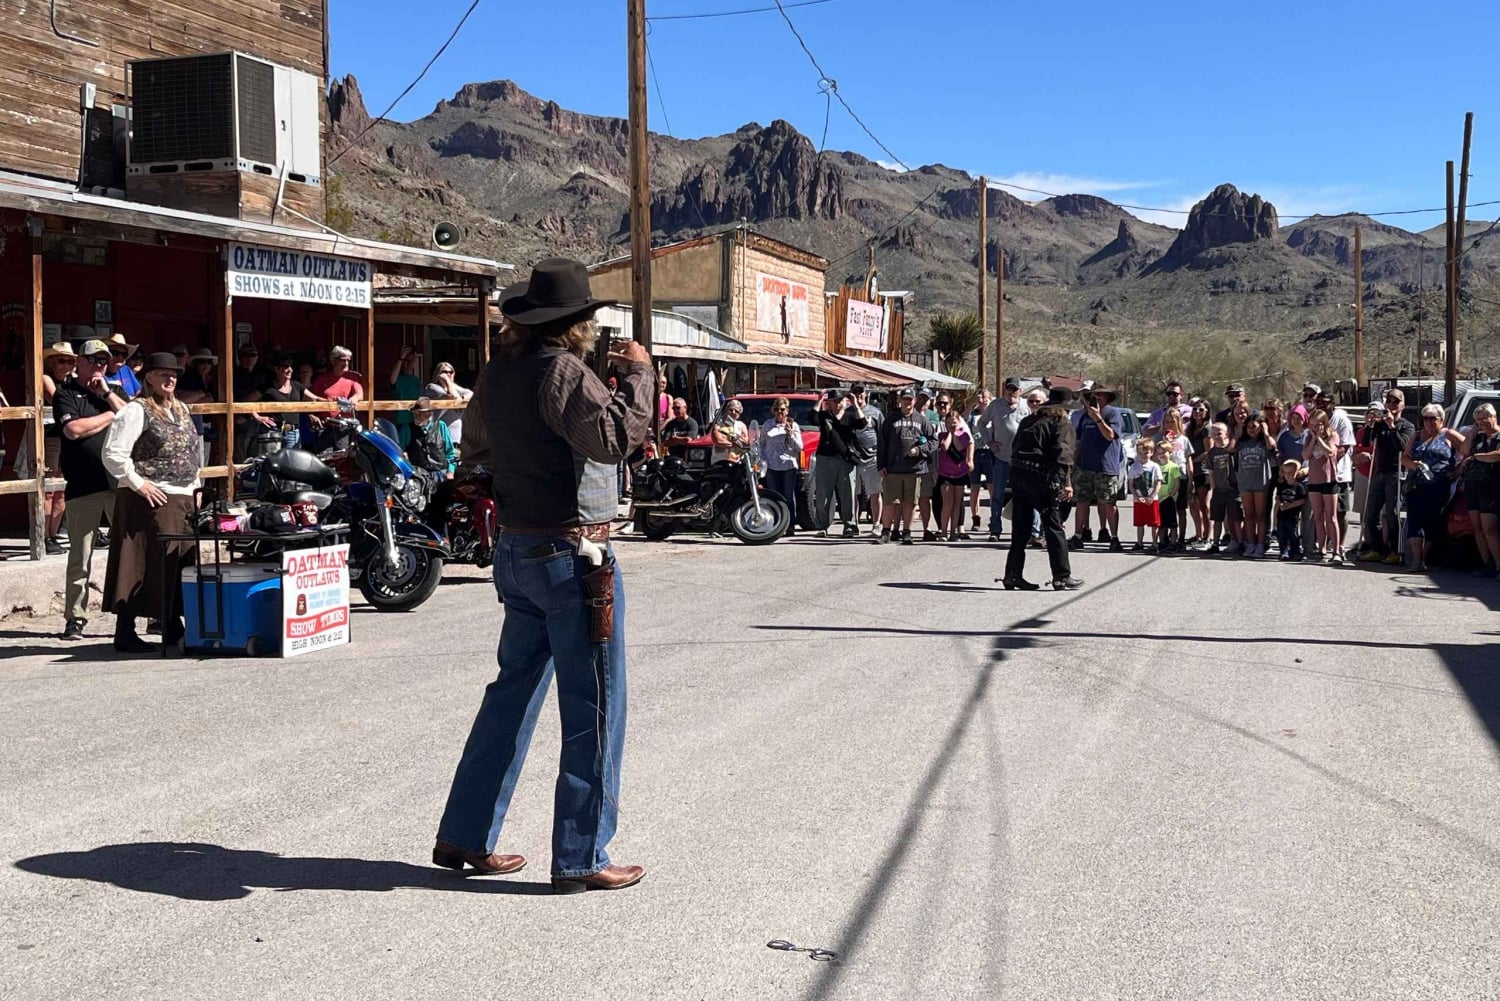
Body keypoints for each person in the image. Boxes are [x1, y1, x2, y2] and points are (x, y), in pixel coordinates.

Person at [434, 257, 649, 894]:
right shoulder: (563, 372)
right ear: (577, 324)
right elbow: (615, 439)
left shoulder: (497, 375)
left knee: (510, 695)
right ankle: (582, 854)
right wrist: (638, 375)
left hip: (517, 549)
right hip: (571, 553)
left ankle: (466, 833)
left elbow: (474, 456)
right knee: (595, 706)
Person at [100, 352, 201, 653]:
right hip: (148, 496)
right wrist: (139, 484)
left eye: (173, 374)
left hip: (183, 496)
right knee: (139, 562)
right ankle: (125, 631)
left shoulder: (182, 409)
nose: (169, 379)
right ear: (149, 378)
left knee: (177, 562)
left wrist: (196, 488)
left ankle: (172, 626)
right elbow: (113, 453)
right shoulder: (136, 410)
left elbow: (191, 454)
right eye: (162, 374)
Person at [52, 340, 126, 641]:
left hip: (117, 484)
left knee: (129, 554)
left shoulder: (114, 393)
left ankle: (135, 616)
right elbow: (73, 431)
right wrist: (110, 417)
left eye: (103, 361)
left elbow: (133, 416)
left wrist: (107, 395)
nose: (98, 365)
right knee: (80, 558)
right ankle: (75, 619)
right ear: (78, 362)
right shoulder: (66, 394)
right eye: (93, 360)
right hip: (83, 486)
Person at [1003, 386, 1081, 590]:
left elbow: (1014, 449)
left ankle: (1012, 574)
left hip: (1019, 475)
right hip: (1041, 478)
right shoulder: (1062, 423)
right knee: (1054, 526)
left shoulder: (1029, 421)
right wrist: (1065, 482)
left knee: (1020, 529)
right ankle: (1061, 576)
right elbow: (1063, 454)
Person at [1401, 403, 1463, 572]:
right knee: (1415, 521)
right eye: (1426, 418)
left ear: (1441, 420)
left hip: (1440, 487)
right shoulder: (1417, 436)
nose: (1428, 422)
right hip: (1416, 485)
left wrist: (1459, 469)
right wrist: (1412, 464)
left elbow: (1468, 450)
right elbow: (1404, 457)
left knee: (1433, 521)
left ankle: (1425, 558)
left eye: (1432, 418)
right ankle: (1417, 560)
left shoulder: (1449, 435)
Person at [1357, 392, 1415, 565]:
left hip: (1395, 473)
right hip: (1379, 471)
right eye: (1389, 401)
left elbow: (1402, 446)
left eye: (1396, 402)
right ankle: (1377, 548)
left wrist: (1391, 426)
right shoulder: (1380, 424)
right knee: (1371, 513)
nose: (1392, 405)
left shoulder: (1407, 426)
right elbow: (1367, 441)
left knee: (1392, 514)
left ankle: (1395, 550)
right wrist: (1369, 425)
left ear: (1402, 405)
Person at [1068, 384, 1125, 552]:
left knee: (1108, 502)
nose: (1098, 397)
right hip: (1085, 466)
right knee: (1081, 502)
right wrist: (1074, 463)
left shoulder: (1112, 413)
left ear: (1107, 398)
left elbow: (1110, 436)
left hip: (1105, 466)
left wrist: (1098, 418)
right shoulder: (1086, 416)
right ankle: (1078, 535)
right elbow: (1080, 441)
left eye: (1101, 395)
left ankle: (1114, 537)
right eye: (1094, 395)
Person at [875, 388, 936, 545]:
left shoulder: (922, 420)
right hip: (893, 469)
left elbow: (933, 441)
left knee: (910, 502)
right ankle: (886, 532)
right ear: (900, 401)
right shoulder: (891, 419)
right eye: (905, 399)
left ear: (914, 401)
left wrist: (920, 450)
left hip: (914, 470)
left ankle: (907, 532)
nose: (907, 402)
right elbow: (882, 443)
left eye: (910, 399)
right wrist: (880, 465)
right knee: (890, 502)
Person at [977, 377, 1029, 542]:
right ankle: (995, 529)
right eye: (1009, 389)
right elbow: (981, 423)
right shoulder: (995, 405)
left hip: (1021, 460)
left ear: (1020, 391)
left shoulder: (1026, 405)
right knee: (997, 496)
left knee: (1023, 496)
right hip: (1001, 458)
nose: (1011, 392)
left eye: (1015, 389)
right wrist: (989, 442)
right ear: (1004, 389)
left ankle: (1023, 530)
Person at [40, 344, 76, 554]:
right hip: (51, 437)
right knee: (48, 489)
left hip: (67, 437)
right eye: (61, 361)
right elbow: (60, 402)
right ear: (51, 362)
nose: (66, 366)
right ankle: (43, 535)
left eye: (70, 361)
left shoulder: (71, 382)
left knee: (62, 489)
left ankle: (53, 535)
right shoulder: (46, 378)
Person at [810, 390, 862, 537]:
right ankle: (822, 526)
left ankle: (850, 525)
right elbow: (812, 418)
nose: (838, 403)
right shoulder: (824, 416)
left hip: (846, 460)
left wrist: (856, 404)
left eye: (841, 400)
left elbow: (862, 423)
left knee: (848, 495)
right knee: (823, 495)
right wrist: (820, 400)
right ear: (830, 403)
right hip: (826, 459)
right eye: (835, 401)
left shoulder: (850, 416)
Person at [1458, 403, 1500, 579]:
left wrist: (1476, 457)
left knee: (1489, 528)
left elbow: (1497, 455)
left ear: (1494, 416)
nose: (1481, 423)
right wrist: (1473, 432)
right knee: (1477, 528)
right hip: (1473, 486)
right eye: (1477, 420)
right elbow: (1464, 451)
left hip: (1492, 487)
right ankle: (1487, 564)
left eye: (1484, 418)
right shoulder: (1478, 437)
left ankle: (1499, 566)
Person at [1314, 388, 1356, 557]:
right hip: (1319, 474)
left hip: (1338, 474)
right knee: (1320, 512)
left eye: (1325, 403)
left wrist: (1328, 461)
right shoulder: (1316, 421)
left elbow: (1344, 447)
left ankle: (1340, 546)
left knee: (1339, 512)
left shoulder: (1341, 420)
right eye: (1319, 402)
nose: (1321, 405)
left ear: (1333, 404)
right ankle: (1324, 545)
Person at [252, 353, 324, 449]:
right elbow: (246, 402)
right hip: (273, 431)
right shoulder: (267, 387)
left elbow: (315, 398)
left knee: (292, 462)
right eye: (285, 366)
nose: (290, 370)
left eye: (291, 367)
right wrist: (257, 417)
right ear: (276, 369)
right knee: (273, 462)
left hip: (293, 432)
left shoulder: (297, 385)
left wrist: (333, 401)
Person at [1234, 410, 1276, 558]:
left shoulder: (1263, 442)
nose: (1252, 429)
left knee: (1260, 515)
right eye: (1249, 426)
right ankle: (1250, 543)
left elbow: (1272, 446)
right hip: (1245, 482)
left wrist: (1265, 432)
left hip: (1261, 482)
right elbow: (1230, 448)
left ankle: (1260, 544)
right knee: (1249, 515)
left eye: (1255, 426)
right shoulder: (1242, 443)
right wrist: (1238, 435)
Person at [760, 396, 803, 536]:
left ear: (787, 411)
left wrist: (790, 434)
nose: (780, 412)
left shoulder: (793, 425)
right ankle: (777, 524)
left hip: (788, 466)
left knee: (788, 496)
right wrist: (762, 459)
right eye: (777, 410)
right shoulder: (767, 424)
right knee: (774, 496)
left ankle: (790, 525)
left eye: (782, 410)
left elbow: (799, 447)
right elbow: (762, 443)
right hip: (772, 466)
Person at [1153, 408, 1194, 548]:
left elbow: (1188, 459)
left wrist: (1191, 477)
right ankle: (1163, 538)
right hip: (1164, 478)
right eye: (1167, 422)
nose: (1169, 424)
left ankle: (1180, 537)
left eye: (1172, 421)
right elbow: (1153, 458)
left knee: (1180, 509)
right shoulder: (1158, 439)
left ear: (1178, 422)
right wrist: (1164, 443)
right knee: (1164, 508)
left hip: (1180, 476)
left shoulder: (1183, 440)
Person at [311, 346, 365, 449]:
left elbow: (359, 394)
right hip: (324, 427)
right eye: (343, 360)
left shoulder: (353, 377)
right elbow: (312, 399)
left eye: (348, 360)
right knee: (323, 459)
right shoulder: (321, 379)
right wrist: (311, 415)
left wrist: (351, 401)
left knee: (342, 459)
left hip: (344, 427)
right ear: (333, 360)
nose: (346, 363)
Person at [849, 383, 883, 534]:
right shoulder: (847, 412)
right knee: (853, 495)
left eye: (861, 392)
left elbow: (882, 434)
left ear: (866, 393)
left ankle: (876, 524)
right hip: (853, 458)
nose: (858, 394)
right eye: (855, 392)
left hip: (872, 458)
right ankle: (853, 524)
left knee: (875, 492)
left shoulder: (875, 412)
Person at [936, 407, 974, 541]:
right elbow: (945, 447)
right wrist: (949, 434)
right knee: (947, 503)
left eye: (954, 422)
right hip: (945, 474)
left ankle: (954, 531)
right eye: (949, 422)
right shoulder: (941, 435)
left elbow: (959, 447)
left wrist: (955, 433)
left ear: (959, 422)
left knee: (957, 503)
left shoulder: (964, 435)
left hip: (960, 473)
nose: (952, 425)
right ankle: (943, 531)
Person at [1204, 422, 1239, 554]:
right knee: (1217, 517)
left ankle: (1236, 541)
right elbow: (1211, 473)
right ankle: (1215, 543)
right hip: (1219, 489)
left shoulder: (1231, 449)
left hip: (1232, 488)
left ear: (1226, 434)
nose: (1216, 436)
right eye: (1214, 434)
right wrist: (1213, 489)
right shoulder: (1212, 453)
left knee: (1234, 517)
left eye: (1219, 433)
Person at [424, 361, 473, 447]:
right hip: (441, 436)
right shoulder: (432, 387)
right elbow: (453, 397)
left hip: (457, 436)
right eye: (444, 372)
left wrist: (461, 399)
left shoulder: (453, 387)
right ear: (438, 374)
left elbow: (471, 394)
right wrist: (447, 381)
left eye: (451, 372)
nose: (448, 374)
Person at [407, 397, 456, 480]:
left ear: (428, 414)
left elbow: (450, 452)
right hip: (419, 476)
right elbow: (402, 452)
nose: (416, 416)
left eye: (419, 414)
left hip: (440, 474)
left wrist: (450, 472)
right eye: (414, 413)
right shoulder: (408, 429)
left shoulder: (441, 426)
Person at [1186, 400, 1214, 545]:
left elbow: (1209, 451)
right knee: (1193, 504)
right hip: (1192, 471)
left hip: (1203, 470)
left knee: (1204, 504)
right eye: (1195, 409)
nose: (1198, 412)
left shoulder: (1207, 429)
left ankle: (1208, 537)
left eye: (1201, 410)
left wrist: (1194, 460)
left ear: (1207, 412)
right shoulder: (1190, 428)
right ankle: (1198, 534)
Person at [1127, 438, 1162, 551]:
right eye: (1140, 453)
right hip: (1139, 500)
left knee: (1154, 523)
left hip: (1152, 500)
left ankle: (1154, 543)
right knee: (1139, 523)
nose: (1143, 455)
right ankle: (1139, 542)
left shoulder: (1154, 466)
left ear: (1151, 452)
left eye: (1146, 452)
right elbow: (1131, 484)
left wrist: (1152, 496)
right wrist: (1137, 497)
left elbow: (1158, 482)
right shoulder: (1134, 467)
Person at [966, 389, 992, 531]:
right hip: (975, 453)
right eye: (979, 396)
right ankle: (975, 518)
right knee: (974, 487)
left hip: (989, 453)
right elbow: (961, 426)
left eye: (983, 396)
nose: (980, 398)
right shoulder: (972, 416)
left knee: (992, 487)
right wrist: (970, 405)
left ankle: (993, 519)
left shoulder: (993, 415)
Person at [388, 346, 424, 447]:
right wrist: (400, 359)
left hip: (416, 422)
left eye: (412, 361)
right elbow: (392, 380)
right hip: (402, 422)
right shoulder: (398, 378)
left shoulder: (416, 380)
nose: (409, 364)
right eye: (407, 361)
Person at [1274, 459, 1308, 561]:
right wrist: (1275, 516)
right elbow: (1278, 500)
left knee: (1293, 535)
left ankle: (1295, 551)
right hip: (1281, 515)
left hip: (1293, 516)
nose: (1288, 475)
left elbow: (1302, 500)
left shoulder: (1299, 487)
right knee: (1282, 535)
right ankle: (1283, 552)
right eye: (1285, 473)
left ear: (1297, 473)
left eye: (1291, 473)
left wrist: (1290, 505)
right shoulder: (1281, 486)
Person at [1154, 440, 1183, 551]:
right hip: (1158, 498)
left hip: (1168, 498)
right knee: (1160, 523)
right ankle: (1161, 542)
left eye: (1164, 452)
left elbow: (1177, 483)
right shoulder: (1156, 467)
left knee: (1172, 523)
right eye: (1159, 453)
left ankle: (1173, 542)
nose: (1161, 455)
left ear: (1170, 453)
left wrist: (1172, 494)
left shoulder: (1173, 467)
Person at [709, 398, 749, 464]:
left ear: (739, 415)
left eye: (736, 411)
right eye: (731, 410)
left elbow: (745, 442)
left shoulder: (741, 426)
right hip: (719, 461)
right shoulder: (718, 425)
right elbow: (718, 441)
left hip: (737, 462)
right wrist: (736, 443)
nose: (733, 412)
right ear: (726, 410)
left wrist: (728, 437)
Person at [103, 334, 141, 398]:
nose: (120, 358)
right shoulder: (99, 371)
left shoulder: (126, 369)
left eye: (124, 355)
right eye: (115, 353)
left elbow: (139, 391)